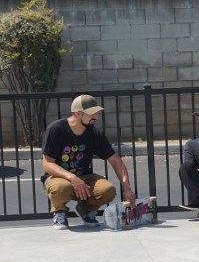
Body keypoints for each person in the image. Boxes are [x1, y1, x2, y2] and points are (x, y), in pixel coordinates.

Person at [40, 94, 136, 229]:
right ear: (78, 113)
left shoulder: (94, 133)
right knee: (62, 187)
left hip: (84, 176)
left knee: (107, 190)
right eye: (92, 113)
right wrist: (72, 177)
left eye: (97, 113)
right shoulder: (56, 129)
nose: (95, 117)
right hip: (58, 177)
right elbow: (47, 163)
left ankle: (85, 210)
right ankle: (59, 211)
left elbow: (115, 160)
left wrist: (127, 189)